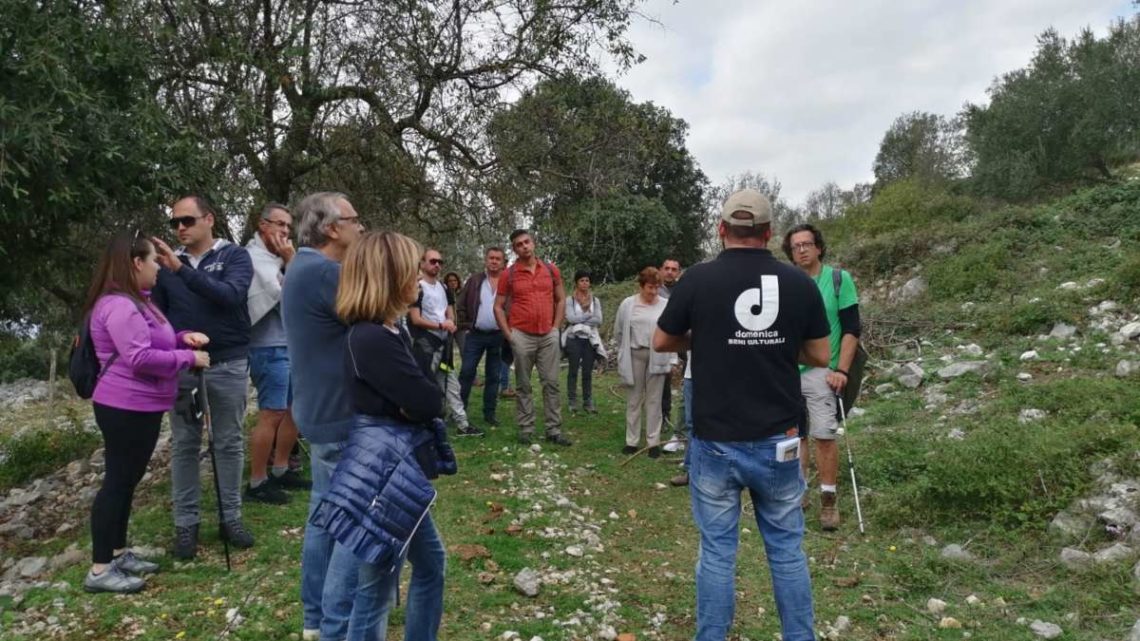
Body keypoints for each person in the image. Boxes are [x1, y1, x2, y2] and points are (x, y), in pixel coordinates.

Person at [654, 189, 831, 641]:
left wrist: (708, 337)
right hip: (780, 440)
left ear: (721, 229)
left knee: (716, 552)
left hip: (715, 441)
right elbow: (820, 353)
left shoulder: (696, 279)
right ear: (771, 234)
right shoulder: (798, 283)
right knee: (788, 550)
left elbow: (661, 340)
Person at [315, 231, 451, 641]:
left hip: (395, 467)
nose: (418, 278)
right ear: (390, 277)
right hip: (382, 473)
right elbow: (429, 401)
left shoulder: (389, 332)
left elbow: (423, 395)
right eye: (411, 270)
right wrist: (413, 404)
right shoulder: (371, 337)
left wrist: (413, 402)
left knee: (430, 564)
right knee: (376, 586)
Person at [81, 232, 210, 593]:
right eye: (154, 260)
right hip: (125, 405)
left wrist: (182, 338)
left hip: (139, 404)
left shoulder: (138, 301)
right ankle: (100, 569)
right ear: (136, 263)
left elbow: (151, 341)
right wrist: (189, 358)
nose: (158, 267)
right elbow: (139, 358)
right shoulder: (121, 306)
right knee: (117, 482)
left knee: (126, 480)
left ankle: (118, 553)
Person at [280, 192, 365, 641]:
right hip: (338, 415)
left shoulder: (303, 268)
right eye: (354, 220)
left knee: (323, 513)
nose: (361, 228)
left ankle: (316, 619)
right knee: (349, 519)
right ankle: (337, 623)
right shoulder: (326, 273)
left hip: (317, 409)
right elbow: (377, 316)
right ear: (332, 228)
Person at [152, 195, 254, 559]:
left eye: (187, 220)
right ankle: (186, 525)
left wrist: (182, 272)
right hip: (183, 365)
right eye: (175, 222)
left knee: (228, 441)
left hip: (227, 361)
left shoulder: (234, 256)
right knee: (183, 444)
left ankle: (231, 518)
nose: (180, 228)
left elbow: (230, 296)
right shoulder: (164, 267)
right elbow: (158, 317)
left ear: (209, 219)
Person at [783, 223, 861, 531]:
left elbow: (852, 328)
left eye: (806, 244)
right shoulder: (785, 283)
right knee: (794, 435)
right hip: (788, 370)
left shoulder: (839, 280)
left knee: (824, 435)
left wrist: (841, 369)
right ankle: (798, 492)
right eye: (795, 246)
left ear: (818, 247)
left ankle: (828, 500)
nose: (801, 250)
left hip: (823, 370)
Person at [245, 203, 308, 506]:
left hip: (291, 343)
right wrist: (291, 260)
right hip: (267, 346)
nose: (284, 231)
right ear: (262, 225)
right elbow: (282, 293)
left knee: (296, 408)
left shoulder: (279, 259)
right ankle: (258, 480)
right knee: (272, 412)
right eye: (279, 224)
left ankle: (282, 468)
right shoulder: (253, 259)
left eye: (288, 227)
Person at [493, 229, 571, 446]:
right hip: (522, 335)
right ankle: (526, 429)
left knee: (552, 383)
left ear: (533, 243)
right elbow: (498, 307)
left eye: (527, 242)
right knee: (523, 384)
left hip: (548, 334)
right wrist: (509, 335)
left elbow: (561, 299)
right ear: (515, 249)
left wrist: (556, 327)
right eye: (519, 244)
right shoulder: (508, 275)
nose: (524, 246)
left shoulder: (550, 269)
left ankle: (553, 430)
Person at [408, 248, 479, 437]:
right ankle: (419, 424)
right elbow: (415, 319)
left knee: (451, 383)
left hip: (444, 344)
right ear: (422, 263)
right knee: (423, 384)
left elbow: (450, 311)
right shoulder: (417, 287)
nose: (437, 265)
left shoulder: (444, 287)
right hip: (426, 345)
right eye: (432, 261)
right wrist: (441, 324)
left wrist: (450, 323)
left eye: (440, 261)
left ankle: (462, 424)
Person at [614, 267, 670, 458]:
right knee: (634, 398)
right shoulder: (628, 304)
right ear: (641, 285)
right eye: (649, 287)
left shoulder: (665, 304)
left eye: (656, 287)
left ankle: (653, 442)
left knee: (654, 399)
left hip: (658, 355)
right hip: (635, 354)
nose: (653, 292)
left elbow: (671, 331)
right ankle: (632, 441)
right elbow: (619, 331)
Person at [456, 247, 506, 428]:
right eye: (491, 258)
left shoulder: (507, 282)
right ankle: (459, 412)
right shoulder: (475, 280)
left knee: (494, 376)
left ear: (503, 262)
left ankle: (490, 414)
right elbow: (460, 305)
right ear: (486, 260)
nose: (494, 261)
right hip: (475, 335)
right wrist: (465, 326)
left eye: (498, 259)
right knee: (467, 372)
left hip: (498, 336)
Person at [563, 270, 603, 414]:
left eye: (587, 280)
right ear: (576, 283)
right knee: (573, 370)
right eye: (581, 280)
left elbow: (599, 319)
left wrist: (582, 318)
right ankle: (572, 400)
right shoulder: (570, 300)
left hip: (589, 339)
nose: (584, 283)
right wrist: (588, 316)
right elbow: (571, 318)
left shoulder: (595, 300)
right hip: (574, 339)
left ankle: (588, 401)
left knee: (587, 371)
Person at [658, 258, 685, 449]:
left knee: (685, 386)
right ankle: (660, 417)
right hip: (661, 342)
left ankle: (673, 421)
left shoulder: (683, 290)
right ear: (661, 270)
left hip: (683, 343)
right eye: (666, 268)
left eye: (673, 269)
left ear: (679, 272)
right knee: (661, 381)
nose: (669, 272)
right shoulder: (653, 289)